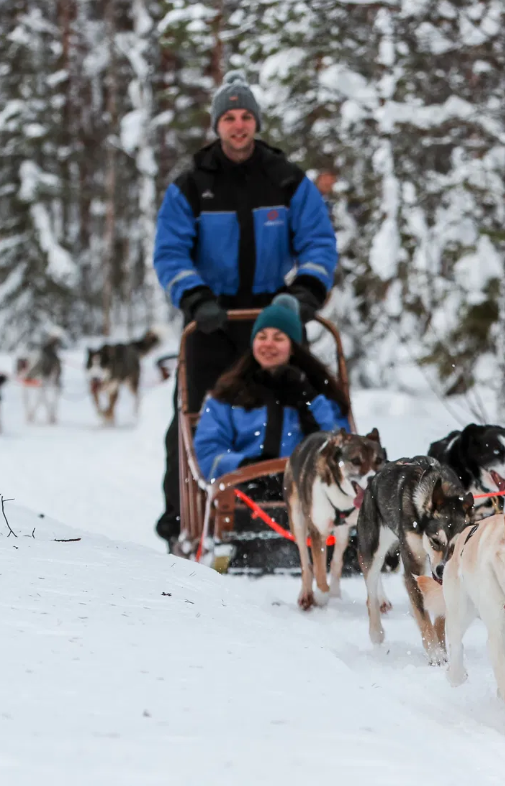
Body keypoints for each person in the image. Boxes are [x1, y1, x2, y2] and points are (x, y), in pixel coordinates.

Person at [151, 70, 339, 548]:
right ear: (217, 126)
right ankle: (183, 519)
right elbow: (170, 252)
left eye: (245, 117)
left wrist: (306, 293)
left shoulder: (286, 180)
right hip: (212, 320)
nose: (238, 126)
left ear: (256, 123)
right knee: (194, 415)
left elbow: (318, 241)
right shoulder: (192, 185)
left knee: (304, 400)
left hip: (274, 314)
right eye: (229, 117)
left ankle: (313, 505)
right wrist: (194, 296)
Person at [194, 294, 350, 479]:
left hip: (307, 490)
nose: (268, 344)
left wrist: (308, 400)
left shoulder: (317, 391)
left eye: (278, 338)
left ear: (293, 347)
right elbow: (209, 450)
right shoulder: (229, 394)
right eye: (262, 336)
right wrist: (244, 467)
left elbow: (338, 445)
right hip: (241, 489)